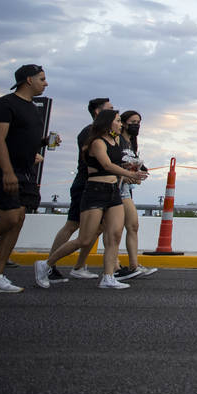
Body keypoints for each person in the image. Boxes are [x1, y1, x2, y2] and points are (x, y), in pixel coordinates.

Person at [35, 109, 146, 290]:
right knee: (85, 239)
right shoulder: (96, 143)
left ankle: (108, 276)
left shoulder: (116, 142)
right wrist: (129, 173)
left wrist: (132, 169)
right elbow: (106, 165)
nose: (120, 124)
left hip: (113, 192)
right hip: (96, 191)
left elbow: (116, 164)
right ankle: (46, 264)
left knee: (114, 236)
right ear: (108, 123)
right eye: (118, 121)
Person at [0, 65, 49, 293]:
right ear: (28, 80)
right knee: (8, 219)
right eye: (42, 79)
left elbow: (22, 139)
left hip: (24, 171)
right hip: (0, 171)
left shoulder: (32, 108)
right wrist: (7, 171)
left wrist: (39, 148)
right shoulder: (4, 105)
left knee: (17, 219)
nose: (45, 83)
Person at [47, 97, 111, 282]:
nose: (115, 113)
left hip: (99, 186)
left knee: (99, 228)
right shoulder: (90, 132)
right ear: (98, 112)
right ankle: (49, 265)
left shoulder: (103, 134)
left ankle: (79, 266)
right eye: (110, 109)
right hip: (85, 184)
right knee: (72, 225)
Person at [113, 110, 153, 280]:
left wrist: (137, 173)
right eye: (133, 121)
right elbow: (111, 163)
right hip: (115, 188)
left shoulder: (131, 143)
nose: (136, 125)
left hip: (126, 189)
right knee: (111, 231)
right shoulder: (117, 141)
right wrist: (127, 174)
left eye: (139, 122)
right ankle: (114, 266)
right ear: (123, 122)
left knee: (132, 226)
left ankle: (133, 265)